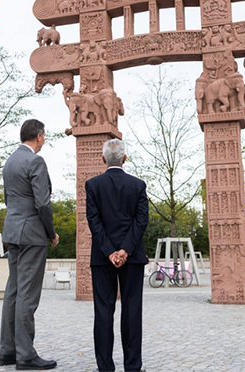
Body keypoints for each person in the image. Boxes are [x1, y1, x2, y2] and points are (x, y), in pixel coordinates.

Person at [0, 119, 60, 370]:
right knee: (27, 294)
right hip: (32, 235)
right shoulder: (35, 161)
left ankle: (7, 352)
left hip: (12, 232)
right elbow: (42, 203)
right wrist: (51, 232)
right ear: (40, 136)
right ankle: (25, 355)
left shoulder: (10, 161)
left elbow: (8, 198)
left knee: (13, 291)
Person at [85, 138, 149, 372]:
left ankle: (105, 367)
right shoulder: (138, 185)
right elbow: (141, 221)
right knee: (132, 310)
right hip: (132, 258)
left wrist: (110, 251)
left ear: (103, 159)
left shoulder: (93, 185)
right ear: (125, 158)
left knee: (103, 311)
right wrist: (125, 249)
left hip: (102, 258)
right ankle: (133, 367)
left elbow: (93, 221)